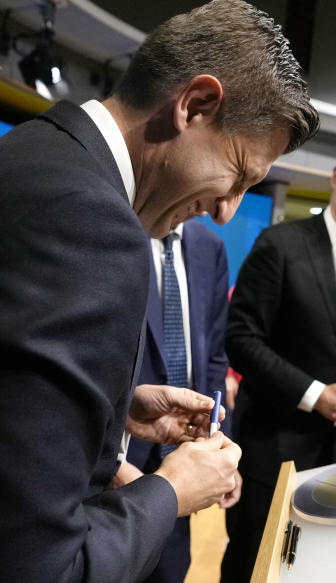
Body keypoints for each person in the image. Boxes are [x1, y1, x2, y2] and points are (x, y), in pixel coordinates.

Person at [0, 2, 319, 582]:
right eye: (238, 174)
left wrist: (110, 411)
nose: (224, 210)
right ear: (195, 105)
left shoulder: (28, 160)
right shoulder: (88, 222)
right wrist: (172, 490)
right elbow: (35, 565)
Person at [222, 137, 336, 582]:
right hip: (273, 452)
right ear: (335, 178)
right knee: (253, 566)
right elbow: (242, 339)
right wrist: (316, 395)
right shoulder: (279, 245)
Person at [115, 221, 238, 583]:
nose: (225, 210)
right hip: (116, 462)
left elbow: (215, 356)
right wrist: (111, 460)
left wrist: (220, 446)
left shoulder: (208, 245)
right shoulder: (114, 228)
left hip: (185, 454)